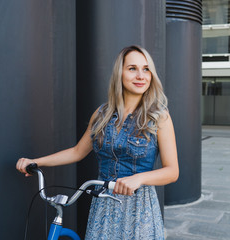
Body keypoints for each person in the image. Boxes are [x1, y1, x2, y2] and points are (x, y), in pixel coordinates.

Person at [16, 45, 179, 239]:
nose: (141, 76)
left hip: (139, 209)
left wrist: (139, 178)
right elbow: (77, 151)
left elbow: (172, 171)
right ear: (120, 73)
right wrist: (35, 162)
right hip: (103, 204)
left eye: (146, 69)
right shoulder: (102, 114)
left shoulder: (159, 117)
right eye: (132, 68)